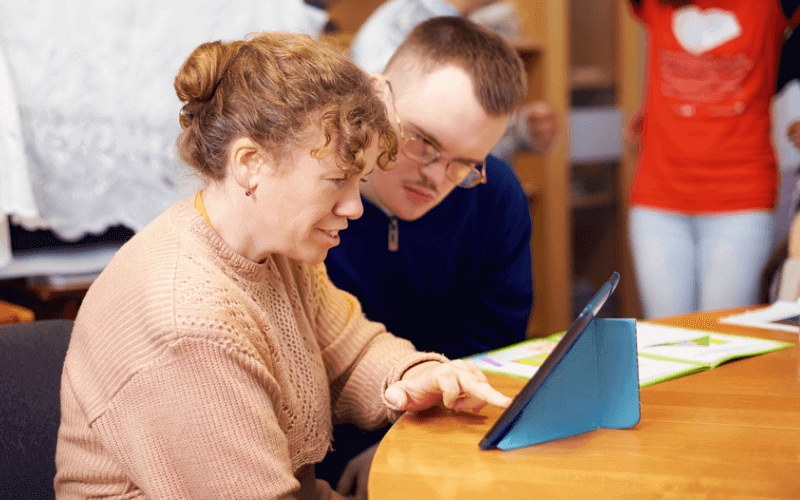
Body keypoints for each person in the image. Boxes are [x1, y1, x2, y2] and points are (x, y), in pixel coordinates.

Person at [53, 32, 512, 500]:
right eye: (336, 180)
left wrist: (415, 376)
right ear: (250, 163)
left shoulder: (276, 250)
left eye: (360, 181)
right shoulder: (188, 324)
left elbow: (351, 352)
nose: (355, 207)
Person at [320, 16, 531, 498]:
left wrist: (412, 443)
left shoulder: (494, 195)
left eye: (465, 163)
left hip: (448, 436)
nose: (436, 177)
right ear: (377, 95)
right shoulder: (308, 198)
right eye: (422, 142)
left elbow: (494, 345)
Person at [626, 0, 800, 319]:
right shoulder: (654, 4)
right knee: (666, 340)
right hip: (658, 201)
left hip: (740, 202)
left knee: (722, 341)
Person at [348, 0, 558, 165]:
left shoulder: (470, 21)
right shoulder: (401, 24)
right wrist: (511, 128)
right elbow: (389, 123)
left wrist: (520, 129)